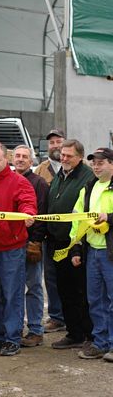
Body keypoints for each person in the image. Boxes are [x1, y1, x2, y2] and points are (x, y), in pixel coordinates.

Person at [0, 143, 37, 356]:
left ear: (6, 160)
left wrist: (28, 214)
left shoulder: (19, 182)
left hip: (12, 248)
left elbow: (27, 202)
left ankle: (13, 338)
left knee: (12, 294)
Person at [46, 139, 95, 349]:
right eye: (62, 155)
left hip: (76, 243)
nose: (64, 158)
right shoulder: (60, 175)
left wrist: (78, 244)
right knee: (64, 289)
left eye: (69, 156)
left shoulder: (87, 178)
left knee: (81, 290)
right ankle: (73, 333)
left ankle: (89, 333)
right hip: (56, 242)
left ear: (80, 157)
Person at [70, 147, 113, 361]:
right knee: (95, 300)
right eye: (94, 163)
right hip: (93, 252)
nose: (96, 166)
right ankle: (100, 343)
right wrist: (75, 247)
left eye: (101, 162)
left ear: (112, 164)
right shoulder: (88, 188)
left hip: (110, 253)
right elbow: (77, 219)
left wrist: (110, 218)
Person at [12, 145, 49, 347]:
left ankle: (35, 330)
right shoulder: (8, 180)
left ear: (31, 161)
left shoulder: (39, 183)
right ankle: (15, 328)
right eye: (17, 156)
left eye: (25, 157)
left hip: (29, 243)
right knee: (13, 288)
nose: (20, 159)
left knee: (33, 286)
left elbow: (42, 215)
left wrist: (35, 241)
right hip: (10, 244)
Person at [35, 128, 66, 333]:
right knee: (51, 277)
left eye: (58, 141)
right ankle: (57, 317)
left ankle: (76, 315)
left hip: (73, 234)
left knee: (74, 278)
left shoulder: (81, 168)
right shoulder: (40, 170)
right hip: (49, 234)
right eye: (52, 142)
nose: (55, 145)